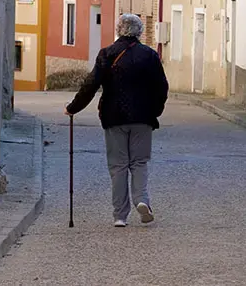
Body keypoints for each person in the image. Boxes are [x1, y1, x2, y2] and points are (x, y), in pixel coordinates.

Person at [65, 14, 169, 227]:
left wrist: (73, 108)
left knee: (118, 166)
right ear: (139, 31)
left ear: (119, 30)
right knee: (139, 162)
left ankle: (120, 216)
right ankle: (142, 200)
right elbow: (161, 87)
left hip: (114, 117)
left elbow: (91, 84)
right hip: (143, 118)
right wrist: (155, 111)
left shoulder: (107, 54)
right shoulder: (149, 55)